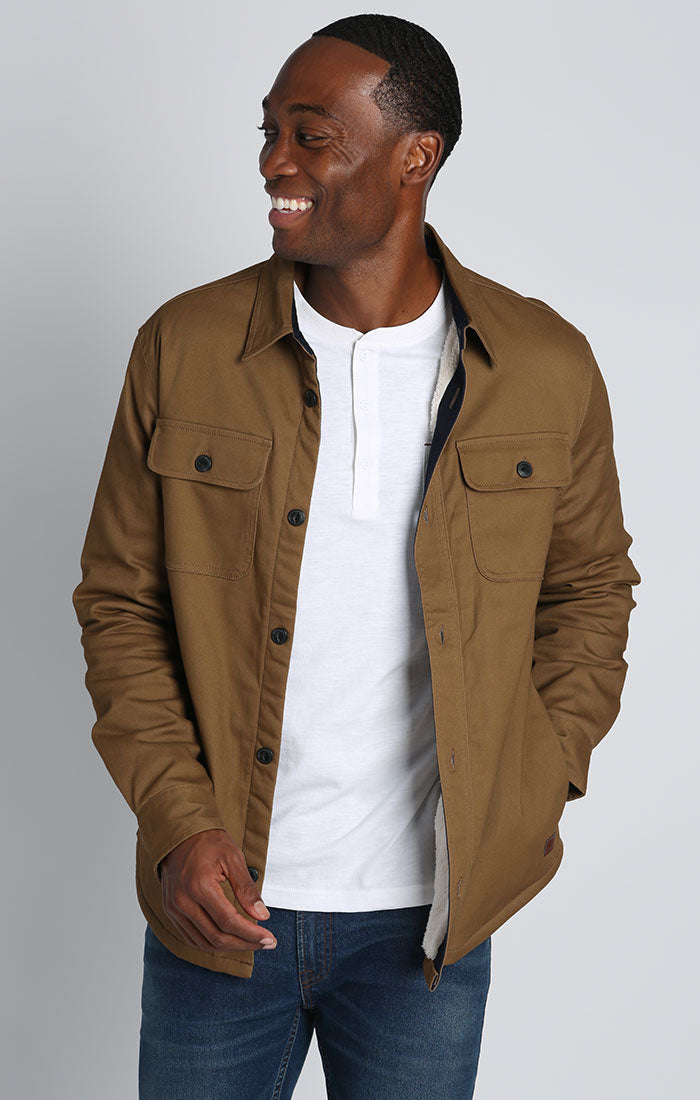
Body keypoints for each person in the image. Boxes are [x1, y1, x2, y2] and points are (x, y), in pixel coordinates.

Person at [72, 13, 641, 1099]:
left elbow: (589, 593)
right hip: (220, 909)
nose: (272, 163)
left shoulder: (545, 364)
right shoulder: (184, 347)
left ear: (415, 157)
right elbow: (119, 604)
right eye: (268, 132)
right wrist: (180, 824)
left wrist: (537, 778)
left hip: (429, 926)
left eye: (311, 135)